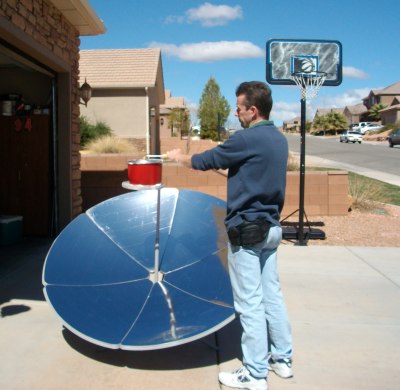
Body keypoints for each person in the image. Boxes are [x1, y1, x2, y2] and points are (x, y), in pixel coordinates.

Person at [166, 81, 292, 390]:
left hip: (248, 231)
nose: (235, 113)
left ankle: (255, 374)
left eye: (238, 108)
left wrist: (177, 157)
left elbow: (205, 159)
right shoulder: (278, 139)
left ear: (253, 110)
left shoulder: (248, 138)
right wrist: (222, 170)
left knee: (249, 304)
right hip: (271, 230)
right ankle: (283, 360)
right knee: (271, 297)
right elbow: (249, 173)